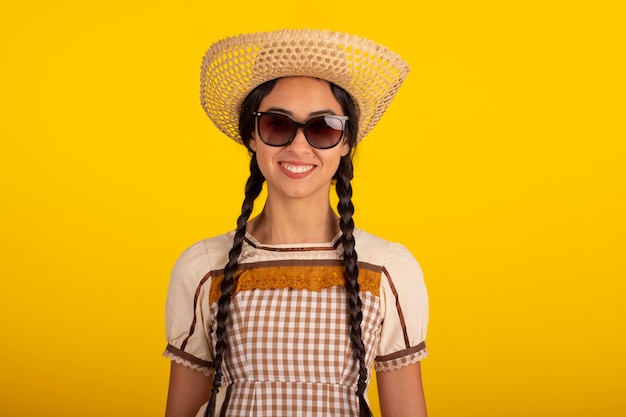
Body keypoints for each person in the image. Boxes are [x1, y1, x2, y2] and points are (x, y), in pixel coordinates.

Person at [164, 29, 429, 417]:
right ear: (252, 136)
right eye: (277, 124)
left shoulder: (389, 269)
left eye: (323, 127)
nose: (299, 146)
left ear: (346, 142)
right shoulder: (203, 267)